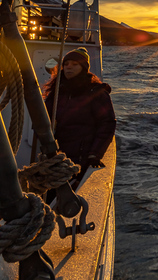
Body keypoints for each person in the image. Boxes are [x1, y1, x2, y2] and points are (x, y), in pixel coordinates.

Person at [43, 47, 116, 182]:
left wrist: (95, 155)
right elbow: (44, 118)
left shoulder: (96, 92)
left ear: (84, 67)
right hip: (58, 156)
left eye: (75, 64)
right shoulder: (58, 91)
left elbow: (107, 123)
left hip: (83, 157)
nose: (69, 67)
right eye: (66, 64)